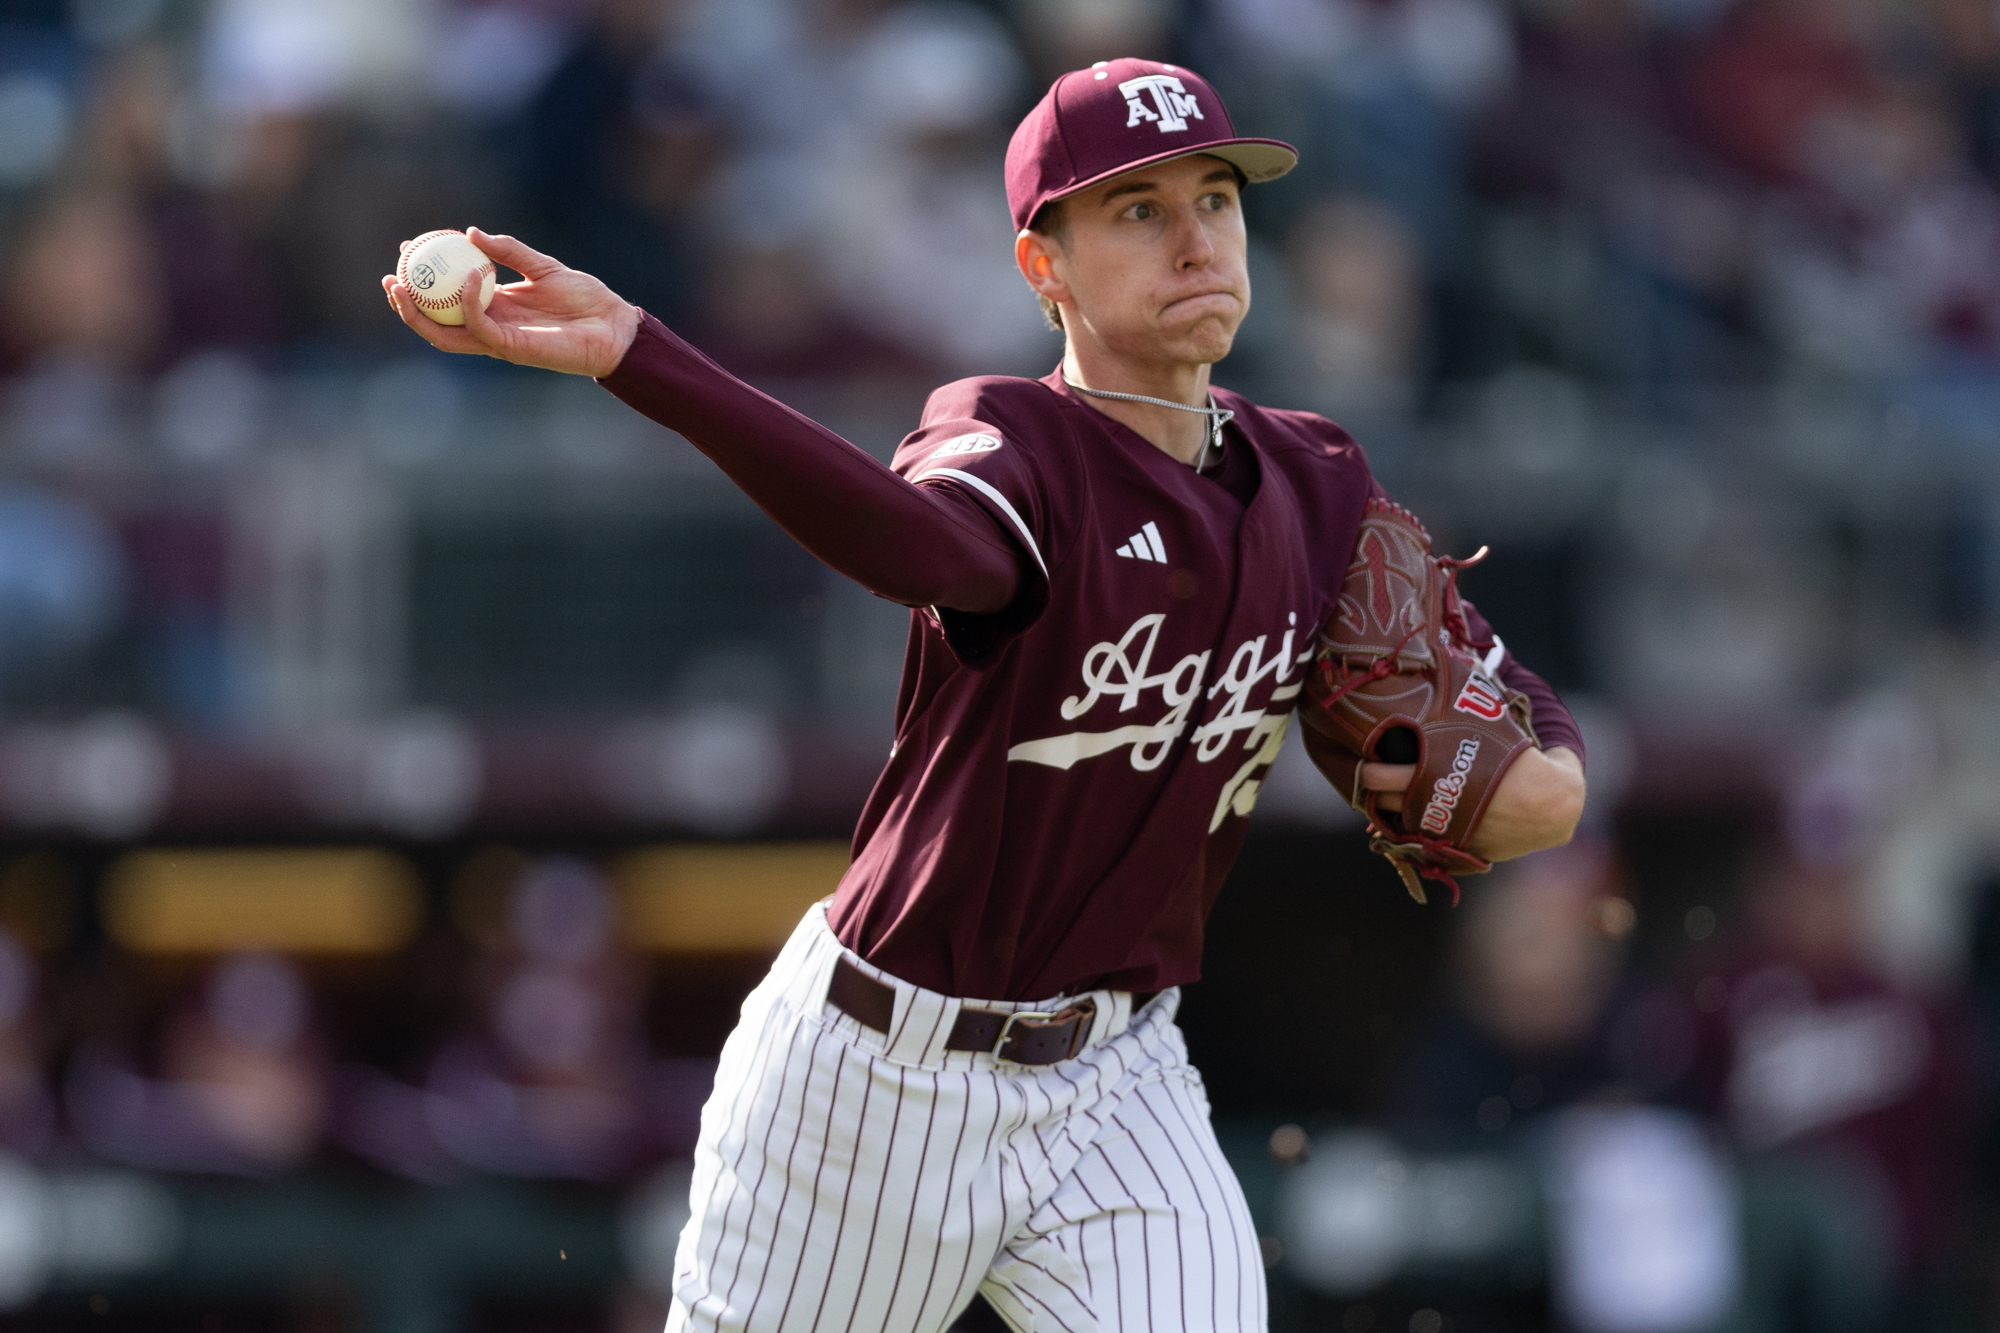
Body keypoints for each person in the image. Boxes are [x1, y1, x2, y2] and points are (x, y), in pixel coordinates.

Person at [384, 57, 1585, 1333]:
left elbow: (1526, 753)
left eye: (1216, 201)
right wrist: (645, 356)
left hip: (1119, 1077)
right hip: (876, 1080)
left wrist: (1530, 766)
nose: (1195, 242)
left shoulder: (1314, 478)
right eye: (1138, 211)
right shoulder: (1012, 437)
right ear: (1041, 267)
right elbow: (921, 547)